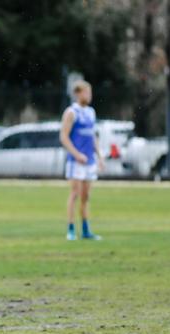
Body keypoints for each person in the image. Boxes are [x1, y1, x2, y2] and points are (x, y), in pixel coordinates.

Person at [59, 80, 104, 241]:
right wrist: (77, 154)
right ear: (78, 94)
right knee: (75, 194)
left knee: (86, 196)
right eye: (86, 92)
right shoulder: (71, 112)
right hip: (75, 161)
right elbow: (63, 137)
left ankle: (86, 230)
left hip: (90, 161)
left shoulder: (91, 112)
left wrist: (99, 156)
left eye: (90, 93)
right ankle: (71, 229)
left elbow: (93, 137)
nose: (89, 96)